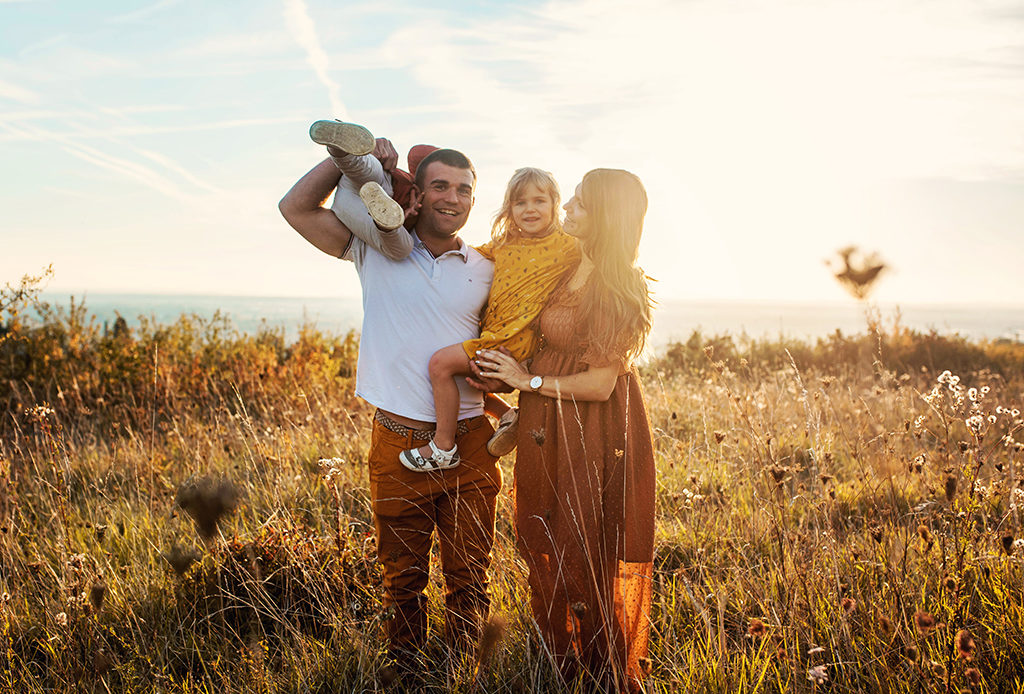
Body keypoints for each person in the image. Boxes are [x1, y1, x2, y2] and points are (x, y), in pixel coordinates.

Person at [278, 136, 501, 670]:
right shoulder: (372, 248)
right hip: (398, 441)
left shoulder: (487, 268)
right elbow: (296, 208)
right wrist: (349, 159)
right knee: (401, 579)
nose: (453, 198)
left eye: (465, 190)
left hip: (471, 440)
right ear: (418, 195)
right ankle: (406, 673)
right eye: (441, 186)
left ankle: (467, 671)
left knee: (470, 573)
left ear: (474, 200)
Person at [472, 169, 657, 691]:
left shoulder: (616, 283)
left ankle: (601, 666)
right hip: (545, 420)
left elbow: (601, 384)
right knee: (543, 531)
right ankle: (562, 656)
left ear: (605, 217)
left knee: (583, 539)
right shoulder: (569, 264)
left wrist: (524, 380)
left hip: (589, 427)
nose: (567, 210)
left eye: (578, 204)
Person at [399, 167, 579, 472]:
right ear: (509, 208)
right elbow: (464, 256)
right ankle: (508, 414)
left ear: (554, 205)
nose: (530, 209)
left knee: (440, 365)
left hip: (514, 339)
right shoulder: (504, 244)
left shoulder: (567, 246)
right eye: (520, 203)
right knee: (471, 378)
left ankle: (443, 446)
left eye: (539, 201)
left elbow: (600, 249)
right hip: (495, 332)